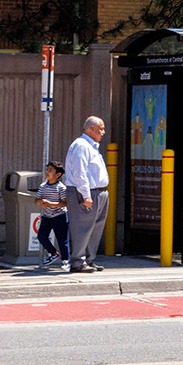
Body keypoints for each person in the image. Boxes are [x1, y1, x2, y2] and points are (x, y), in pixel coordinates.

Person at [62, 115, 110, 273]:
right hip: (86, 193)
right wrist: (86, 194)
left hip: (100, 192)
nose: (103, 132)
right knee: (82, 227)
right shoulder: (82, 145)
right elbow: (80, 173)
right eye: (101, 128)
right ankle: (77, 261)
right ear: (91, 129)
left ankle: (89, 260)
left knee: (95, 228)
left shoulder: (92, 145)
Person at [33, 161, 69, 269]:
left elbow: (65, 203)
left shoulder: (61, 187)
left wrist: (50, 203)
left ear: (58, 175)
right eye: (47, 170)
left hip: (59, 216)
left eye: (50, 170)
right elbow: (36, 200)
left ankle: (66, 261)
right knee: (41, 236)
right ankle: (53, 253)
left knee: (62, 239)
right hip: (46, 216)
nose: (47, 172)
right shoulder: (43, 186)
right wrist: (41, 203)